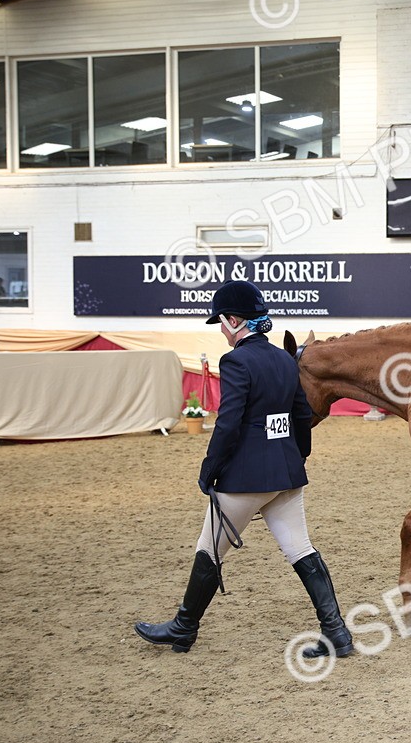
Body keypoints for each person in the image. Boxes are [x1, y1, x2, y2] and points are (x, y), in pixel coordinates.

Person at [135, 280, 354, 658]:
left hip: (247, 478)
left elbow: (228, 423)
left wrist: (210, 469)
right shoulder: (284, 359)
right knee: (301, 549)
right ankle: (336, 632)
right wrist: (297, 457)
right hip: (286, 474)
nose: (221, 330)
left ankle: (184, 627)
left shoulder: (235, 361)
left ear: (234, 321)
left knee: (209, 549)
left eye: (221, 322)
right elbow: (301, 414)